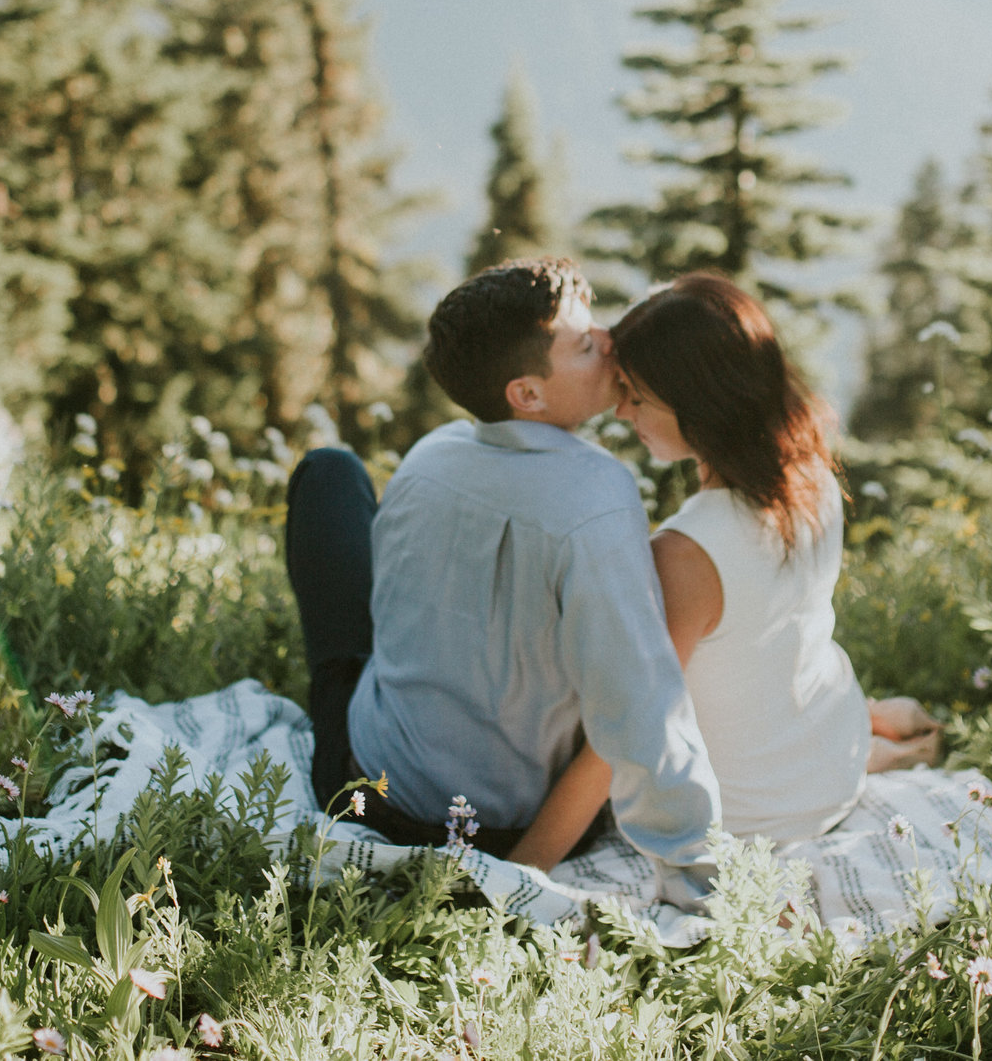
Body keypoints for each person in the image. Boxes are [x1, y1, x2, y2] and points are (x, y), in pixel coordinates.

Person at [283, 257, 721, 905]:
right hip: (505, 826)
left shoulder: (429, 456)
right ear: (528, 394)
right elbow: (639, 698)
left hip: (367, 790)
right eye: (583, 343)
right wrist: (699, 868)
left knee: (327, 474)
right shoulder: (600, 496)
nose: (610, 339)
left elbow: (394, 606)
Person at [507, 271, 938, 868]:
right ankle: (881, 737)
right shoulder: (809, 472)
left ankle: (884, 738)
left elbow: (626, 737)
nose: (622, 410)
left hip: (750, 814)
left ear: (697, 405)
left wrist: (515, 873)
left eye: (637, 395)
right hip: (828, 764)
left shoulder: (687, 553)